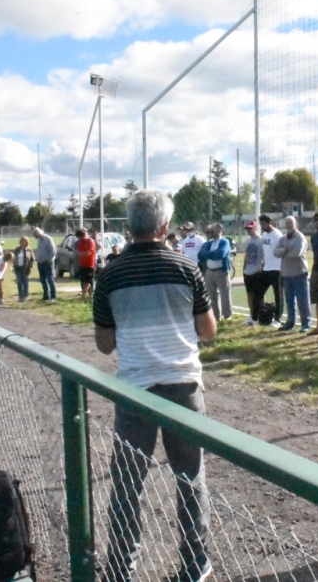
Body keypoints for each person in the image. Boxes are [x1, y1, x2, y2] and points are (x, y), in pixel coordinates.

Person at [94, 189, 216, 582]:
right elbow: (208, 332)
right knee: (190, 476)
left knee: (127, 483)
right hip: (183, 384)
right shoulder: (185, 268)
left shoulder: (110, 273)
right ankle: (196, 564)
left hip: (135, 389)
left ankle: (121, 568)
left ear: (129, 227)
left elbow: (104, 343)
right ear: (164, 227)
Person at [273, 216, 310, 332]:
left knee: (302, 300)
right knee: (289, 300)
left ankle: (306, 324)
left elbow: (297, 252)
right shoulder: (282, 239)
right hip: (286, 274)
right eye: (287, 223)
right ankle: (290, 322)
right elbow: (275, 252)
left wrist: (284, 253)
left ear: (296, 224)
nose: (289, 225)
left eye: (291, 223)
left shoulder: (300, 237)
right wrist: (286, 250)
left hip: (299, 273)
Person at [198, 223, 233, 321]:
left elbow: (220, 254)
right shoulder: (209, 243)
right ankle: (216, 316)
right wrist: (211, 254)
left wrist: (208, 254)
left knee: (225, 294)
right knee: (211, 295)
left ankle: (227, 316)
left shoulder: (224, 241)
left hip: (221, 271)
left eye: (213, 231)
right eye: (210, 231)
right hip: (210, 272)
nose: (210, 233)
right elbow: (200, 255)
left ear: (219, 231)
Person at [258, 214, 284, 326]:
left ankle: (277, 319)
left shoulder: (277, 235)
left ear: (269, 223)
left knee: (278, 294)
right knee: (259, 292)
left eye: (264, 223)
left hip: (277, 268)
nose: (262, 226)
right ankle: (260, 315)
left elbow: (281, 251)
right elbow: (265, 252)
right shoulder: (263, 235)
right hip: (266, 268)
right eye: (261, 224)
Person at [241, 220, 265, 325]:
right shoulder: (248, 241)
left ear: (255, 228)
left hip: (257, 270)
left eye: (250, 228)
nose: (249, 231)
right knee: (249, 294)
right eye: (247, 229)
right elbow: (246, 256)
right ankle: (252, 315)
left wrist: (261, 267)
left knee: (259, 295)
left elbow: (264, 255)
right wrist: (244, 269)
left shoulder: (261, 241)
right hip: (248, 271)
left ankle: (261, 314)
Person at [33, 227, 57, 302]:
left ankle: (53, 296)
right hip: (40, 262)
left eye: (37, 235)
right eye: (36, 236)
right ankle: (46, 295)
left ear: (41, 233)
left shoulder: (48, 239)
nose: (37, 237)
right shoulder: (39, 241)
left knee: (50, 279)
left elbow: (53, 251)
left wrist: (48, 259)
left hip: (47, 263)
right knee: (42, 280)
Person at [75, 228, 97, 300]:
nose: (79, 239)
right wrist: (82, 254)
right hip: (82, 265)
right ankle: (91, 296)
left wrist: (81, 254)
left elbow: (88, 253)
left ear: (84, 235)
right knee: (85, 281)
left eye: (80, 237)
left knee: (86, 282)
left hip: (90, 265)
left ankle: (83, 297)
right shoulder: (81, 242)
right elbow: (77, 252)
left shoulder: (90, 241)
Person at [13, 236, 35, 302]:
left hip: (26, 268)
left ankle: (25, 296)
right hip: (18, 268)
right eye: (22, 241)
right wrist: (14, 266)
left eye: (25, 241)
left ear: (27, 242)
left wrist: (30, 267)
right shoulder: (17, 250)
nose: (23, 242)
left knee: (25, 282)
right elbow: (13, 258)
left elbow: (32, 259)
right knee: (19, 282)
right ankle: (20, 296)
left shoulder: (29, 250)